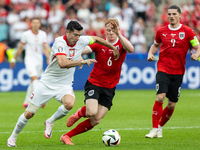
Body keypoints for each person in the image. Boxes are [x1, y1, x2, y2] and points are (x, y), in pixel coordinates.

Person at [7, 20, 120, 147]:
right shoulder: (59, 42)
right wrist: (81, 62)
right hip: (47, 83)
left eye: (79, 35)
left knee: (69, 104)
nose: (78, 38)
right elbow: (62, 63)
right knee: (29, 113)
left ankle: (50, 121)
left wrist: (113, 48)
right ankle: (13, 137)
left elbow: (97, 39)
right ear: (67, 32)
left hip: (64, 85)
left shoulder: (81, 40)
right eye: (75, 35)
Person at [59, 18, 134, 145]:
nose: (110, 33)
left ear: (117, 30)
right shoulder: (100, 44)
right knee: (91, 112)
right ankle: (79, 113)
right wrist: (79, 55)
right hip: (95, 82)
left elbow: (131, 49)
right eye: (108, 30)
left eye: (113, 30)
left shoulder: (122, 43)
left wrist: (119, 34)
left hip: (110, 86)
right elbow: (82, 50)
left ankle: (66, 136)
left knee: (96, 119)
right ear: (105, 31)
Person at [145, 5, 200, 138]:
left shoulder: (188, 31)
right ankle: (153, 129)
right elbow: (155, 45)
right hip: (163, 68)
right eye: (169, 14)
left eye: (174, 14)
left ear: (180, 16)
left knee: (171, 104)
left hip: (178, 72)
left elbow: (198, 47)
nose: (171, 16)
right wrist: (150, 53)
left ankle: (159, 128)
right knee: (160, 97)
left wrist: (196, 55)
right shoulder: (161, 31)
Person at [10, 17, 50, 108]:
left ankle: (26, 101)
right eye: (34, 23)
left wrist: (48, 59)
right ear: (31, 24)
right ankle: (39, 100)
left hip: (39, 60)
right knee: (35, 79)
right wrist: (13, 59)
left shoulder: (43, 34)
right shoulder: (26, 34)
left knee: (33, 81)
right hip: (29, 60)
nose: (35, 24)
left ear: (40, 24)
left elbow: (45, 48)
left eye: (37, 23)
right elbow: (20, 47)